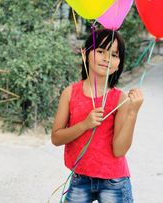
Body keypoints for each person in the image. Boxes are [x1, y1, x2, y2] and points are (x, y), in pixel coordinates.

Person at [51, 28, 144, 203]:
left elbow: (119, 150)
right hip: (80, 178)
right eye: (101, 51)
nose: (107, 58)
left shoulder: (120, 99)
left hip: (114, 181)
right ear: (85, 53)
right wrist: (84, 124)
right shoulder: (70, 93)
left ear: (120, 62)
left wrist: (132, 112)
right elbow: (56, 138)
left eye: (114, 55)